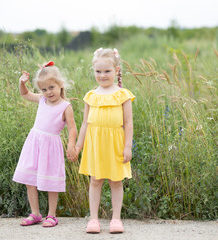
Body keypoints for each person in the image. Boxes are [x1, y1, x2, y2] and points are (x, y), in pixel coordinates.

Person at [75, 48, 135, 234]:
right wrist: (78, 145)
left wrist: (127, 146)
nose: (102, 75)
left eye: (107, 71)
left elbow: (128, 123)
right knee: (95, 180)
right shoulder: (91, 96)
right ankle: (94, 219)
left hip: (115, 143)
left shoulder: (122, 95)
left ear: (116, 70)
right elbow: (85, 123)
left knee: (116, 181)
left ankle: (115, 219)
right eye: (98, 71)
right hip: (95, 144)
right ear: (94, 72)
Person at [12, 61, 78, 227]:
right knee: (30, 179)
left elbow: (72, 129)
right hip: (34, 143)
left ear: (60, 85)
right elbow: (25, 94)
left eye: (51, 88)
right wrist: (21, 83)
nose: (48, 92)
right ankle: (35, 213)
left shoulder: (65, 106)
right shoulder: (42, 100)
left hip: (51, 147)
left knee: (51, 181)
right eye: (44, 89)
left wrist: (71, 145)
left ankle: (51, 215)